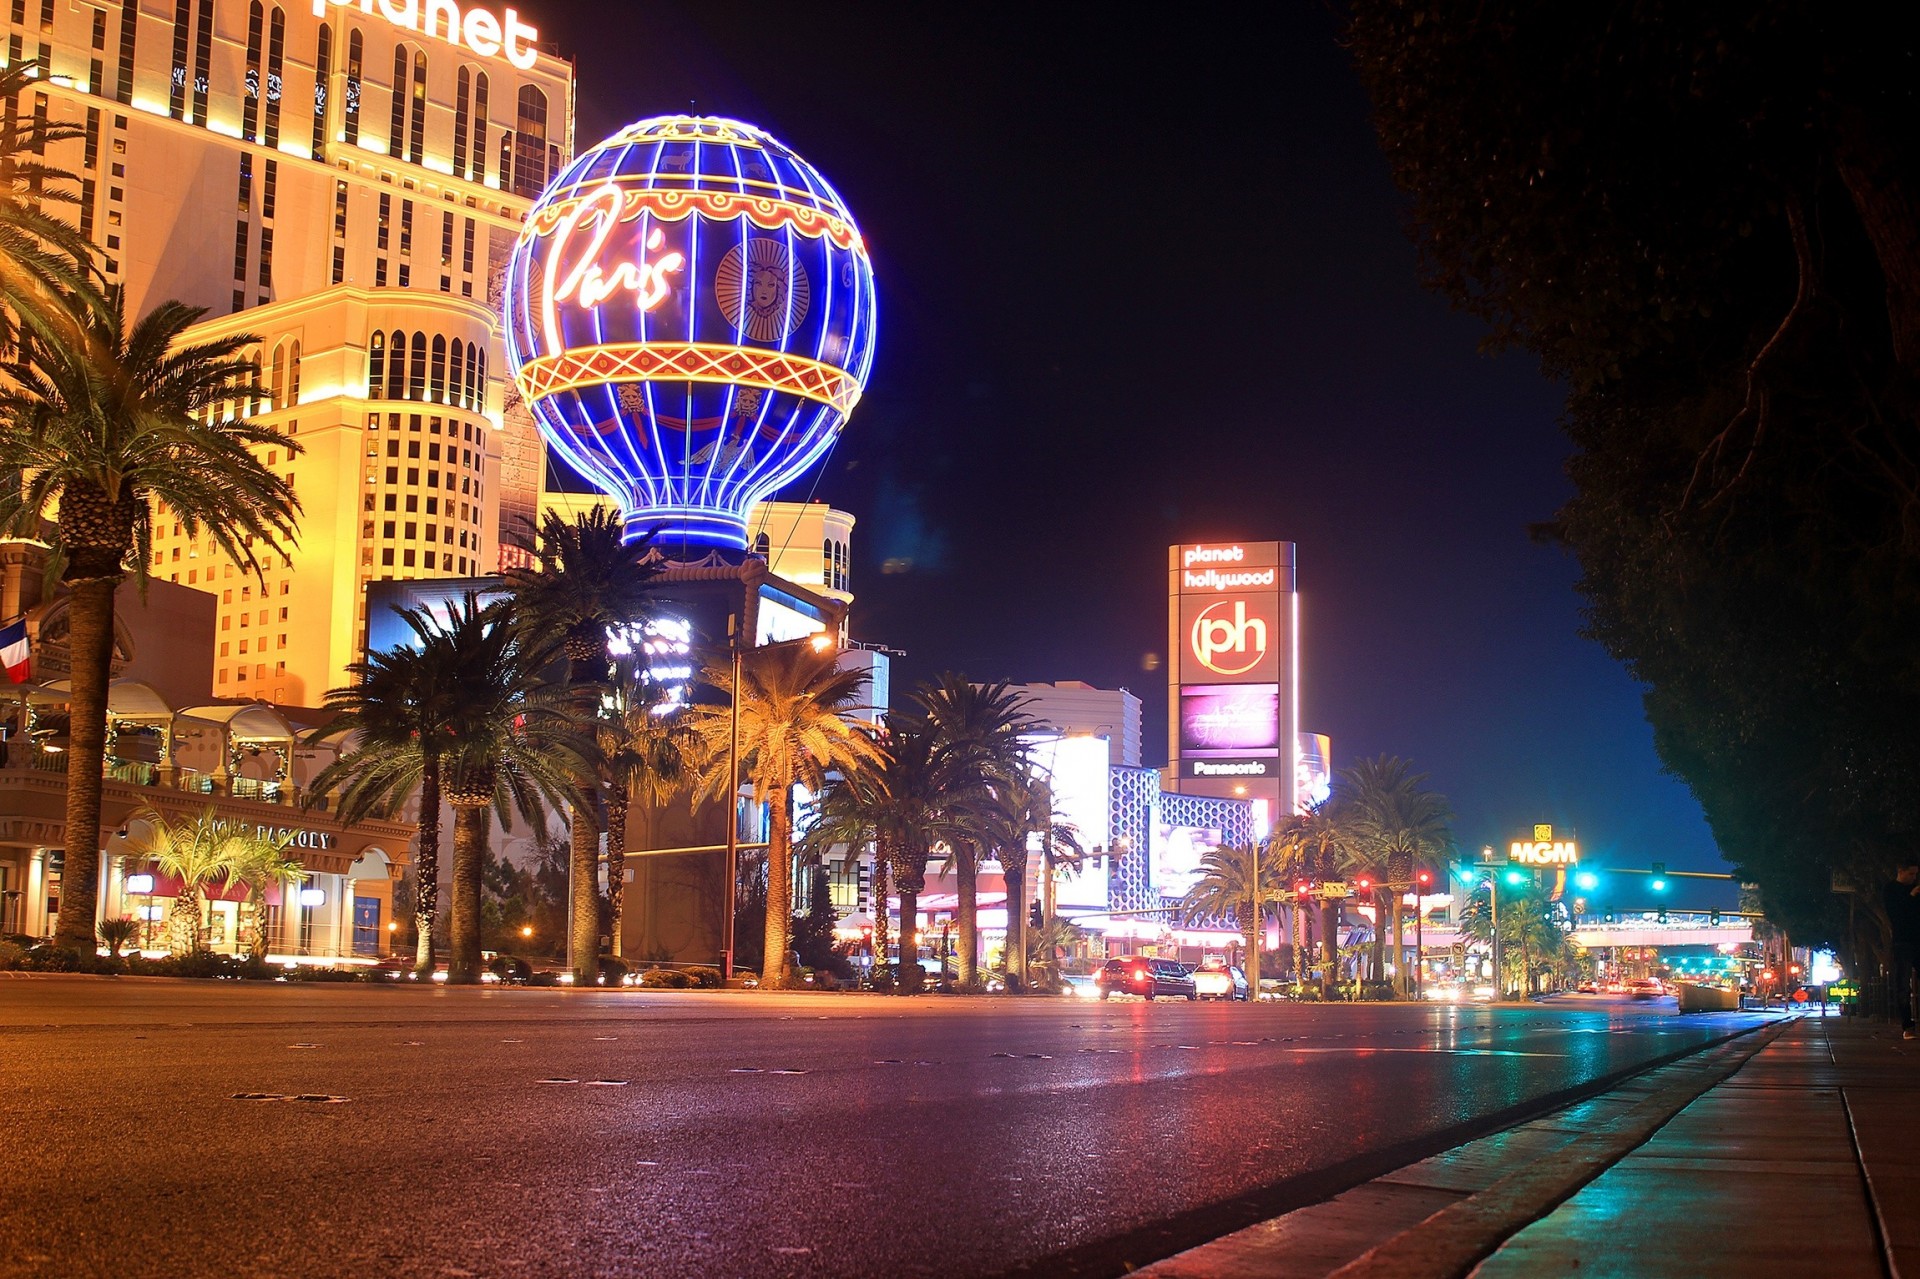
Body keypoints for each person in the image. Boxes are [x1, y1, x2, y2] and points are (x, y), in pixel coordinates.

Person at [1882, 862, 1920, 1038]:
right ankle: (1907, 1025)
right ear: (1900, 870)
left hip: (1916, 939)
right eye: (1910, 874)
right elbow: (1897, 914)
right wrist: (1911, 897)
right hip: (1902, 941)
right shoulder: (1891, 890)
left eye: (1915, 875)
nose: (1913, 878)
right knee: (1903, 984)